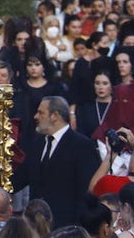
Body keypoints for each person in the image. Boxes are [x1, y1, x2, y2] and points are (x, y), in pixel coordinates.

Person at [12, 96, 100, 228]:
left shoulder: (83, 146)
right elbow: (20, 178)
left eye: (40, 112)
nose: (36, 116)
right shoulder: (38, 143)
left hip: (66, 227)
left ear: (55, 116)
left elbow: (85, 193)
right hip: (36, 226)